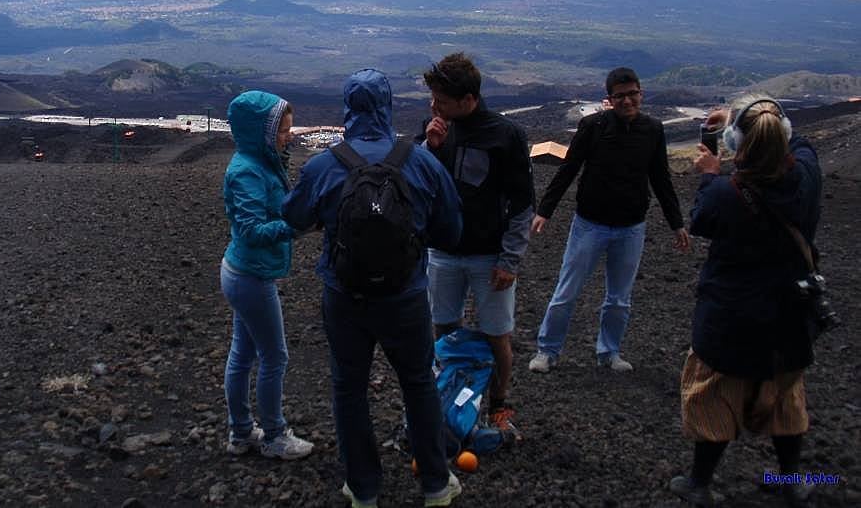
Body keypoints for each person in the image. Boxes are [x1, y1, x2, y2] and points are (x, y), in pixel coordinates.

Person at [283, 69, 464, 508]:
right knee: (418, 383)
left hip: (345, 296)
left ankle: (363, 490)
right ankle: (436, 485)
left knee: (349, 389)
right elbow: (451, 232)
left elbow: (293, 217)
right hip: (406, 296)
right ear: (388, 106)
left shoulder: (324, 165)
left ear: (348, 108)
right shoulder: (421, 162)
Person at [669, 97, 822, 507]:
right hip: (790, 316)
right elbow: (799, 143)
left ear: (737, 143)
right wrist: (750, 122)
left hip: (732, 318)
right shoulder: (807, 178)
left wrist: (709, 175)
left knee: (715, 397)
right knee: (786, 398)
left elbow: (701, 220)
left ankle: (700, 483)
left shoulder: (724, 194)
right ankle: (790, 481)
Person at [529, 66, 690, 373]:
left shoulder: (653, 129)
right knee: (567, 291)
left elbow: (661, 178)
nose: (627, 101)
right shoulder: (593, 126)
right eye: (620, 96)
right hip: (590, 224)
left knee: (619, 299)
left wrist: (676, 223)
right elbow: (569, 168)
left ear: (641, 94)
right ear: (610, 99)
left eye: (632, 94)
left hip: (631, 227)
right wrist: (545, 211)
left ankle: (609, 352)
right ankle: (547, 351)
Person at [419, 53, 536, 433]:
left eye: (441, 100)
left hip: (489, 256)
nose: (434, 106)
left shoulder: (505, 135)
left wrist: (510, 259)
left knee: (497, 333)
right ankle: (447, 402)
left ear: (468, 99)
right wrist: (431, 147)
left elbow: (522, 203)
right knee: (443, 328)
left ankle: (498, 407)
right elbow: (418, 184)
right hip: (443, 252)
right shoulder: (437, 129)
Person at [220, 90, 313, 460]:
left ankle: (241, 432)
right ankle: (274, 436)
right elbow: (253, 231)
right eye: (283, 131)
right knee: (275, 357)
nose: (288, 136)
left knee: (242, 354)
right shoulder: (247, 171)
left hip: (242, 272)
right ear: (262, 132)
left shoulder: (259, 162)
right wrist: (298, 226)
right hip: (251, 277)